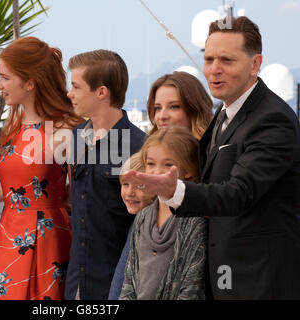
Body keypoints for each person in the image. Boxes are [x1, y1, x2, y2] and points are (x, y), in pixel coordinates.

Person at [125, 16, 300, 299]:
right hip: (224, 279)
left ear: (255, 64)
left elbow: (238, 193)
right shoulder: (224, 113)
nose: (214, 70)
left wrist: (174, 190)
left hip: (259, 280)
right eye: (208, 60)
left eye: (227, 60)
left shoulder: (273, 119)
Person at [0, 37, 83, 300]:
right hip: (7, 236)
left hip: (49, 243)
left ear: (30, 82)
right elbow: (14, 190)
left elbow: (81, 191)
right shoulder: (14, 126)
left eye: (5, 78)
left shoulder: (65, 129)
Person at [65, 49, 146, 300]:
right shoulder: (76, 137)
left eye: (76, 87)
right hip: (76, 284)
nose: (70, 94)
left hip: (117, 285)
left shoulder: (139, 147)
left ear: (101, 92)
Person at [119, 126, 207, 300]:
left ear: (188, 170)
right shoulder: (143, 217)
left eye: (168, 165)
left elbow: (192, 287)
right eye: (151, 164)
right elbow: (129, 279)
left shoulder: (195, 219)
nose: (156, 172)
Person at [108, 153, 154, 300]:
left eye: (139, 186)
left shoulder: (148, 224)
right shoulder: (137, 223)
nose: (129, 193)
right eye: (125, 184)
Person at [147, 71, 213, 140]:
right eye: (158, 108)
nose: (162, 116)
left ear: (195, 109)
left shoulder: (216, 149)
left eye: (174, 107)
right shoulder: (146, 150)